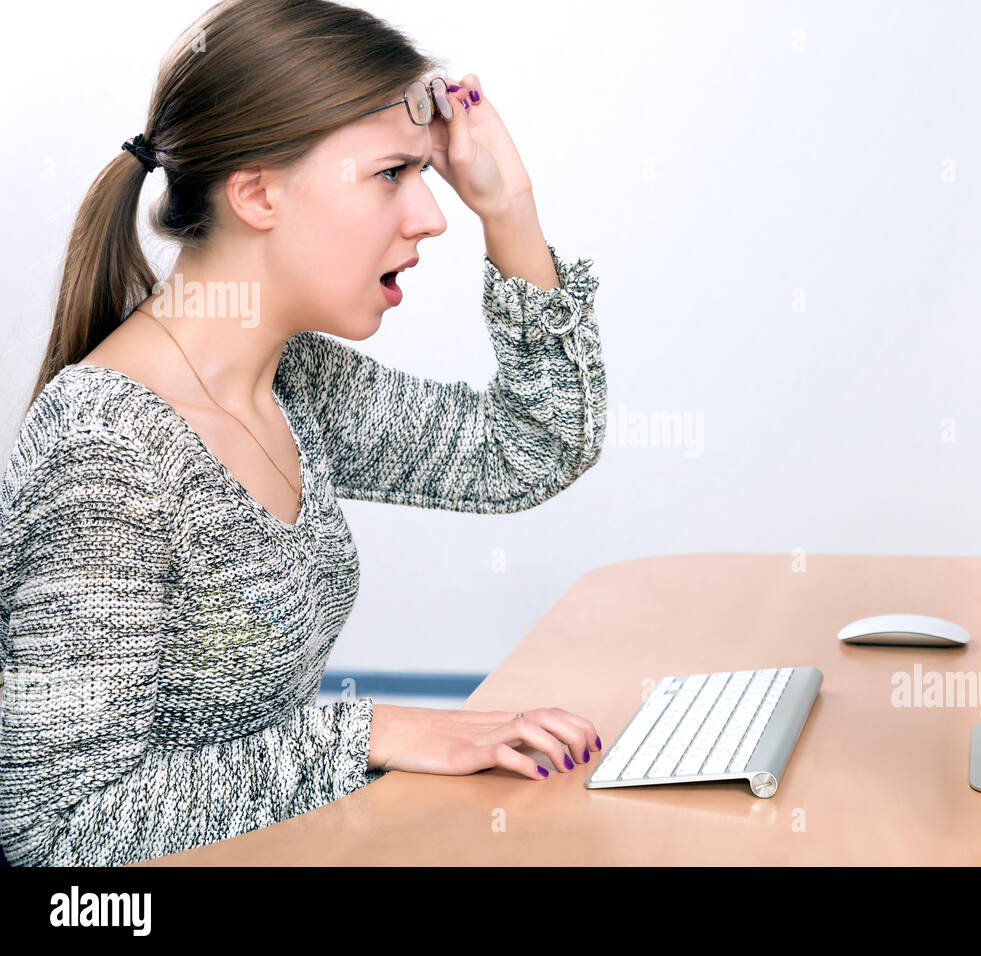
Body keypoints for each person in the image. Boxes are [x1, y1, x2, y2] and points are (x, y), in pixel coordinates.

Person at [0, 0, 605, 867]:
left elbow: (533, 444)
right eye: (392, 173)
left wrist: (508, 208)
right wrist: (373, 733)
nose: (432, 216)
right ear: (256, 193)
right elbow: (57, 834)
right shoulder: (103, 450)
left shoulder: (291, 382)